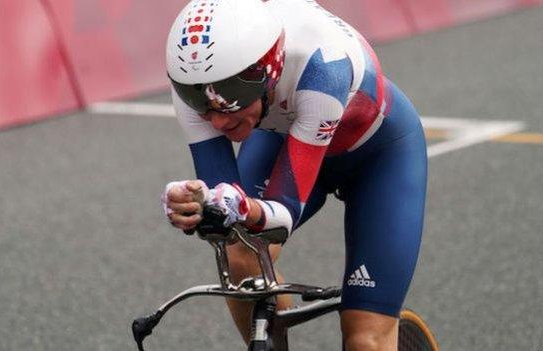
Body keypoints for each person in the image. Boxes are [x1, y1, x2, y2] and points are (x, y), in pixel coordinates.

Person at [160, 0, 427, 349]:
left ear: (267, 72)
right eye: (203, 106)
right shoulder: (197, 83)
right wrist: (197, 202)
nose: (218, 120)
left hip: (378, 157)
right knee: (240, 254)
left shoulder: (323, 67)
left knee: (365, 339)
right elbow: (224, 200)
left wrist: (241, 207)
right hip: (287, 137)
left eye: (230, 102)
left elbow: (282, 214)